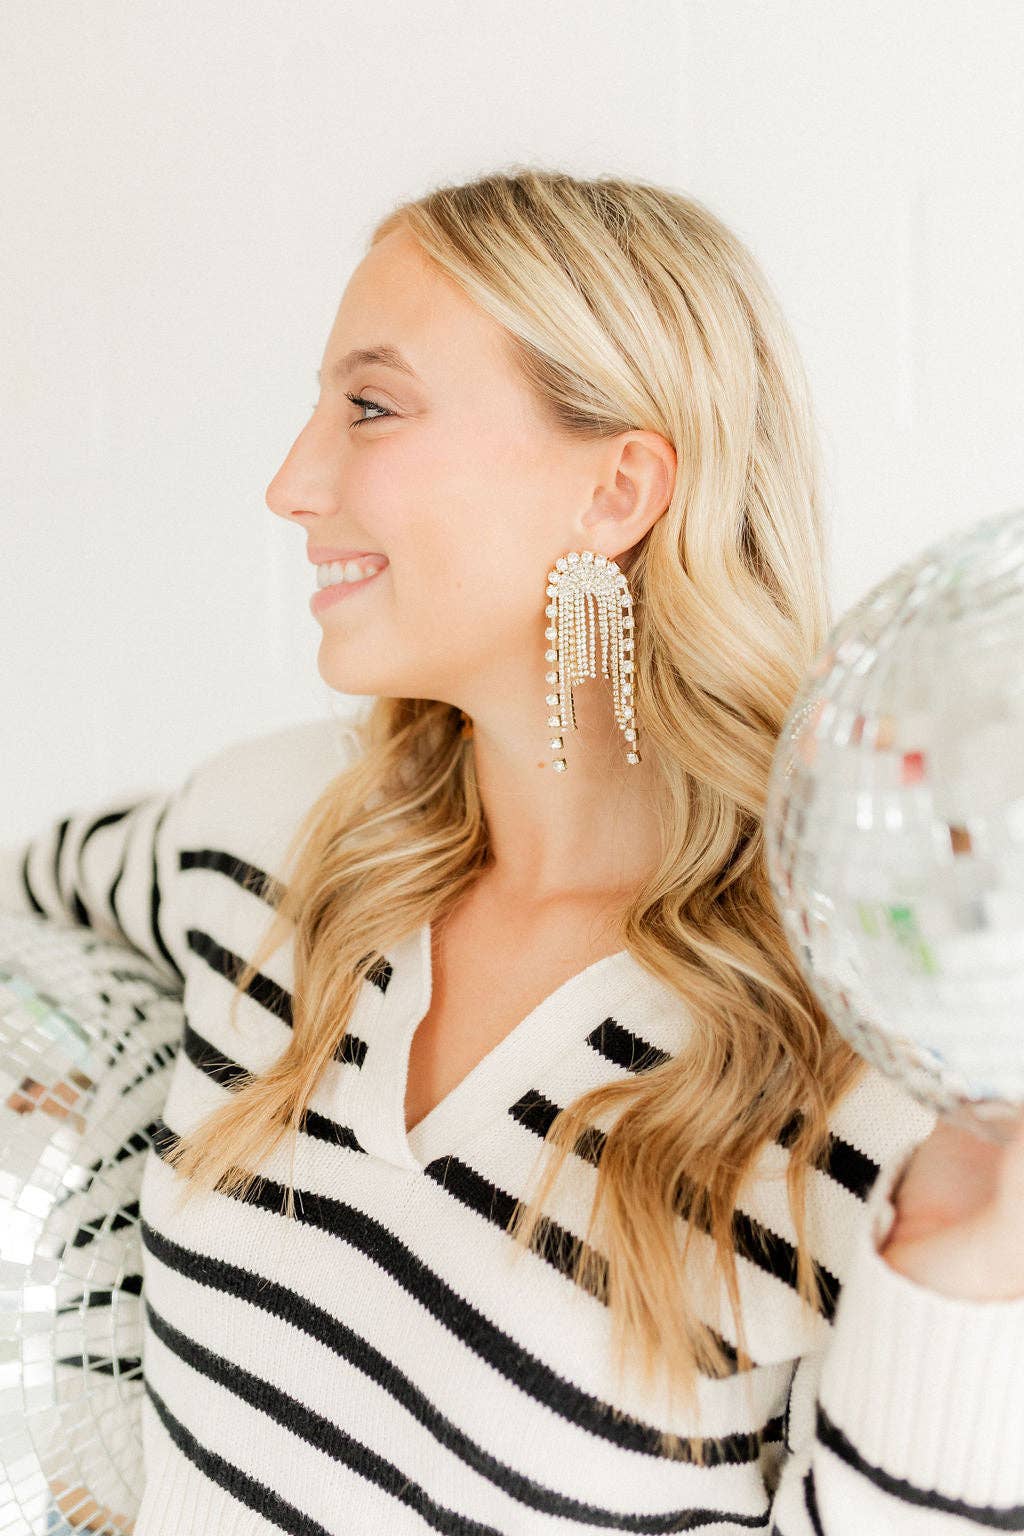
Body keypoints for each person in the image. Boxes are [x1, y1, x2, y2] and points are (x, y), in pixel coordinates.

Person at [3, 167, 1022, 1535]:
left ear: (617, 490)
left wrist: (957, 1268)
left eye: (370, 406)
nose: (291, 484)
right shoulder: (259, 837)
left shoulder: (860, 1085)